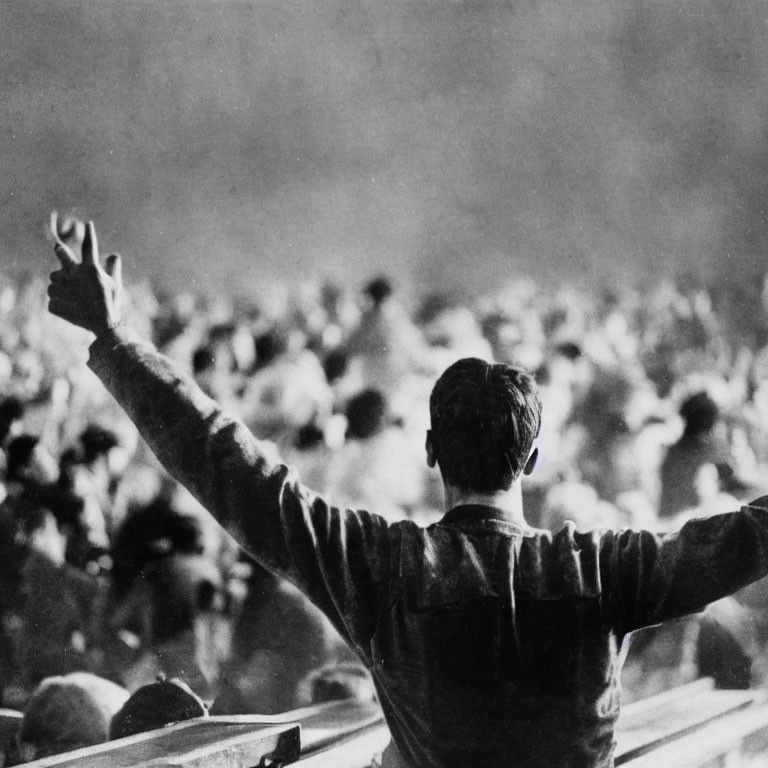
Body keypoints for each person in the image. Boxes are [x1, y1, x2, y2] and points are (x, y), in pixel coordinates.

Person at [46, 220, 768, 768]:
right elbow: (748, 536)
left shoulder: (381, 567)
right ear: (534, 459)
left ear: (430, 452)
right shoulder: (604, 569)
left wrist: (114, 337)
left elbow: (224, 463)